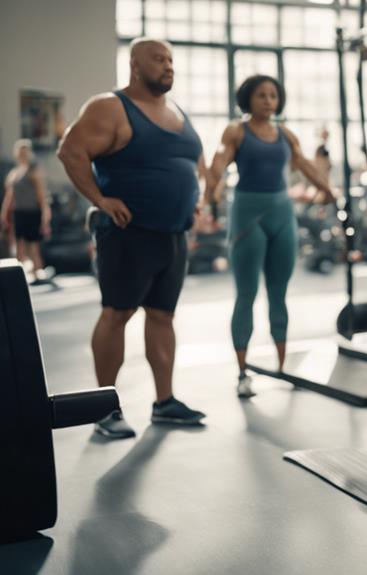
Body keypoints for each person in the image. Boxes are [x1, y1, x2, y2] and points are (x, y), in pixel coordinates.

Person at [57, 38, 207, 439]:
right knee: (117, 314)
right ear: (135, 66)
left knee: (162, 317)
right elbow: (70, 151)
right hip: (127, 233)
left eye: (171, 59)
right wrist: (101, 200)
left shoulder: (176, 111)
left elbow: (192, 162)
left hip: (172, 235)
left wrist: (195, 201)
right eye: (159, 59)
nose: (168, 66)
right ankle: (104, 409)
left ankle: (165, 403)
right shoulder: (109, 106)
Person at [204, 75, 336, 399]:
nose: (268, 101)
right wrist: (209, 194)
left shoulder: (285, 134)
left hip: (281, 215)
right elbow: (219, 161)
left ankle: (281, 366)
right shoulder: (236, 131)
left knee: (279, 293)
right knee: (246, 294)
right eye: (261, 95)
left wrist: (328, 190)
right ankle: (242, 372)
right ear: (247, 99)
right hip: (248, 217)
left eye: (273, 96)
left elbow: (305, 165)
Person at [1, 139, 51, 283]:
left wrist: (45, 216)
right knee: (19, 246)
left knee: (33, 245)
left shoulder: (33, 171)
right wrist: (4, 214)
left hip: (32, 212)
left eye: (25, 152)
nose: (22, 155)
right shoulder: (14, 174)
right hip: (19, 213)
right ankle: (21, 276)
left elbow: (41, 196)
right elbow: (9, 197)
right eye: (20, 152)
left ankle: (37, 272)